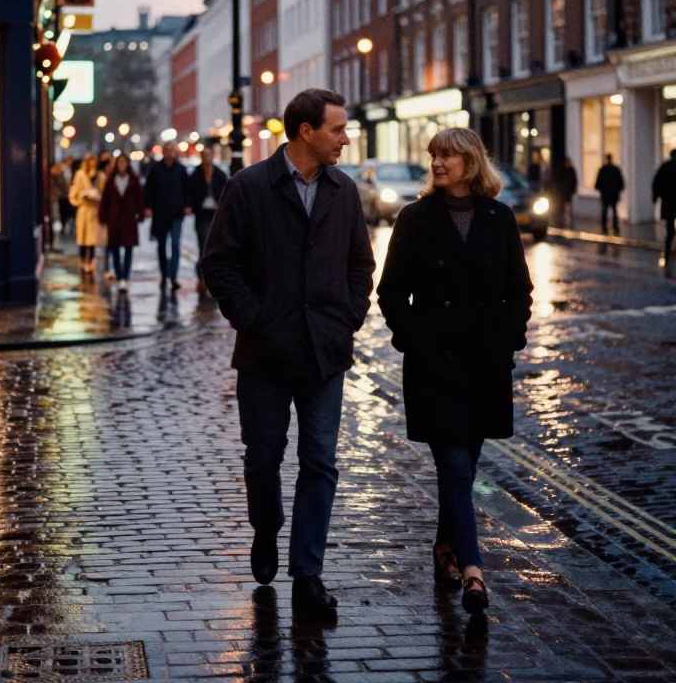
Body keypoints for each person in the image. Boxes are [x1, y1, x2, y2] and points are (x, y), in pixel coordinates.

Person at [202, 89, 375, 620]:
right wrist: (256, 321)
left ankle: (308, 574)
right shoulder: (249, 187)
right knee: (263, 458)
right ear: (306, 132)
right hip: (265, 355)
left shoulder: (343, 192)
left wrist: (345, 319)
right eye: (337, 129)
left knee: (320, 461)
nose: (345, 138)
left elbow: (360, 267)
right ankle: (265, 529)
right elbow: (219, 265)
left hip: (325, 354)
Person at [376, 128, 532, 614]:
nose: (438, 163)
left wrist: (509, 340)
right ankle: (473, 570)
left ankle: (445, 547)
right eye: (434, 156)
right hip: (435, 366)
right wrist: (414, 342)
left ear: (471, 162)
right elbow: (390, 293)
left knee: (465, 469)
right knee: (456, 466)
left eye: (448, 155)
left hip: (484, 364)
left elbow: (518, 291)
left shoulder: (499, 218)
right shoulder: (415, 218)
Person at [144, 140, 191, 290]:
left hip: (176, 212)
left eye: (171, 150)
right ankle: (164, 274)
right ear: (163, 152)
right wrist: (149, 207)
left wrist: (187, 205)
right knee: (162, 245)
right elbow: (148, 189)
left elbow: (186, 189)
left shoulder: (181, 169)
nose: (169, 152)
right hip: (160, 213)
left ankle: (174, 276)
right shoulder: (156, 169)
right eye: (167, 149)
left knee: (176, 244)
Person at [99, 153, 145, 290]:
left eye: (124, 162)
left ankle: (125, 276)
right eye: (120, 162)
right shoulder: (111, 180)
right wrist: (102, 216)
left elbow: (139, 198)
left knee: (128, 248)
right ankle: (119, 276)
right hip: (114, 218)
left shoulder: (133, 179)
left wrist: (141, 213)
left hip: (129, 218)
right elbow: (105, 199)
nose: (122, 165)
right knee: (115, 248)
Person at [187, 146, 228, 294]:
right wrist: (190, 205)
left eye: (208, 155)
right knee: (203, 245)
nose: (206, 158)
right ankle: (201, 277)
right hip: (201, 213)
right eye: (203, 155)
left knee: (216, 246)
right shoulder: (196, 174)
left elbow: (226, 192)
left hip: (216, 213)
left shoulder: (219, 174)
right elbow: (190, 192)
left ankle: (214, 279)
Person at [69, 153, 102, 275]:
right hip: (84, 209)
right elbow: (73, 193)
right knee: (83, 237)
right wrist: (82, 197)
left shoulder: (98, 175)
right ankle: (83, 260)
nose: (92, 164)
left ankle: (91, 261)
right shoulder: (80, 175)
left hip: (94, 210)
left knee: (92, 238)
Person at [653, 149, 676, 265]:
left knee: (670, 226)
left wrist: (656, 196)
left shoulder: (665, 167)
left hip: (668, 202)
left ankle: (668, 247)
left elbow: (656, 182)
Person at [595, 153, 624, 236]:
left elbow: (598, 183)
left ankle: (604, 226)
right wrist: (618, 190)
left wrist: (601, 190)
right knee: (614, 210)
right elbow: (620, 182)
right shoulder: (615, 169)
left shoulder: (603, 169)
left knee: (605, 210)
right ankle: (615, 226)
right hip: (613, 194)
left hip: (605, 194)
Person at [551, 156, 577, 226]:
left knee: (569, 206)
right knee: (563, 205)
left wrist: (572, 189)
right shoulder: (563, 170)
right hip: (563, 192)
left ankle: (569, 218)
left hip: (568, 191)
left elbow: (574, 181)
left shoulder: (571, 170)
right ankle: (563, 218)